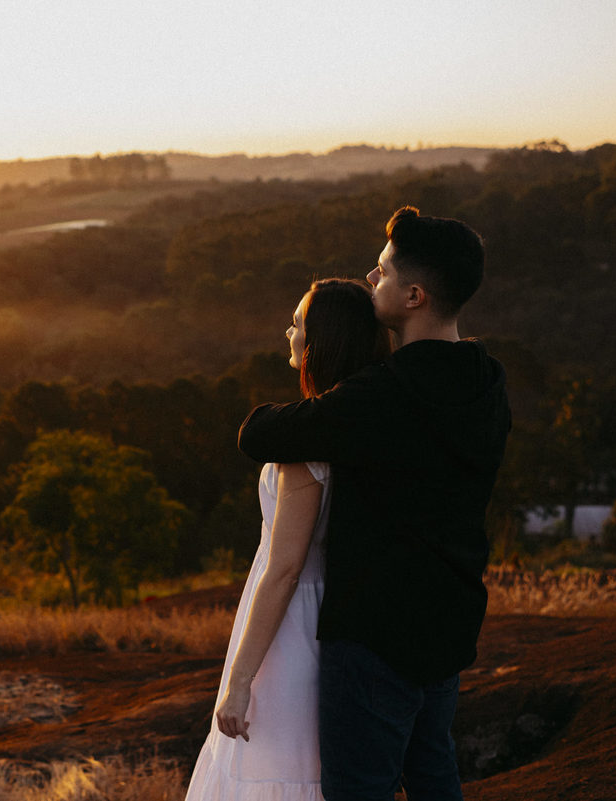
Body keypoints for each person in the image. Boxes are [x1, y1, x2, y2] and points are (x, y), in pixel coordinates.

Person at [238, 206, 511, 801]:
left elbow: (259, 434)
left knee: (360, 789)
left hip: (373, 635)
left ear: (414, 296)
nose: (370, 278)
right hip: (449, 623)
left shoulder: (383, 395)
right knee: (435, 775)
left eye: (382, 272)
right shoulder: (488, 380)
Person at [185, 278, 391, 801]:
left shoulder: (304, 442)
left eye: (297, 323)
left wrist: (239, 681)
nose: (288, 331)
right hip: (329, 612)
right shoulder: (363, 429)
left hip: (291, 624)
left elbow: (284, 569)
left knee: (273, 761)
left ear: (321, 342)